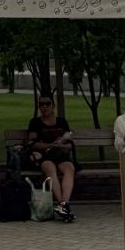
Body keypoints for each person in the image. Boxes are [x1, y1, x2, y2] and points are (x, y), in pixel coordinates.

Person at [25, 93, 76, 222]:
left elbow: (70, 144)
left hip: (60, 154)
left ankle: (63, 205)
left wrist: (61, 145)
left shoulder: (62, 122)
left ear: (53, 105)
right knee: (49, 168)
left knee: (70, 168)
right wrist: (49, 145)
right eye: (41, 104)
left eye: (47, 104)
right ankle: (63, 205)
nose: (45, 107)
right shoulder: (35, 122)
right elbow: (32, 143)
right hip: (44, 156)